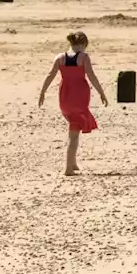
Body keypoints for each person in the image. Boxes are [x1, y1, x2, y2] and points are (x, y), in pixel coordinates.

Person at [38, 32, 108, 176]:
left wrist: (43, 92)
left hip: (65, 97)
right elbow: (91, 76)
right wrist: (101, 92)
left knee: (73, 125)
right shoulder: (83, 57)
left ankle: (73, 163)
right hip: (79, 96)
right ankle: (68, 168)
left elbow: (50, 75)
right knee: (74, 133)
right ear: (83, 44)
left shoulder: (60, 58)